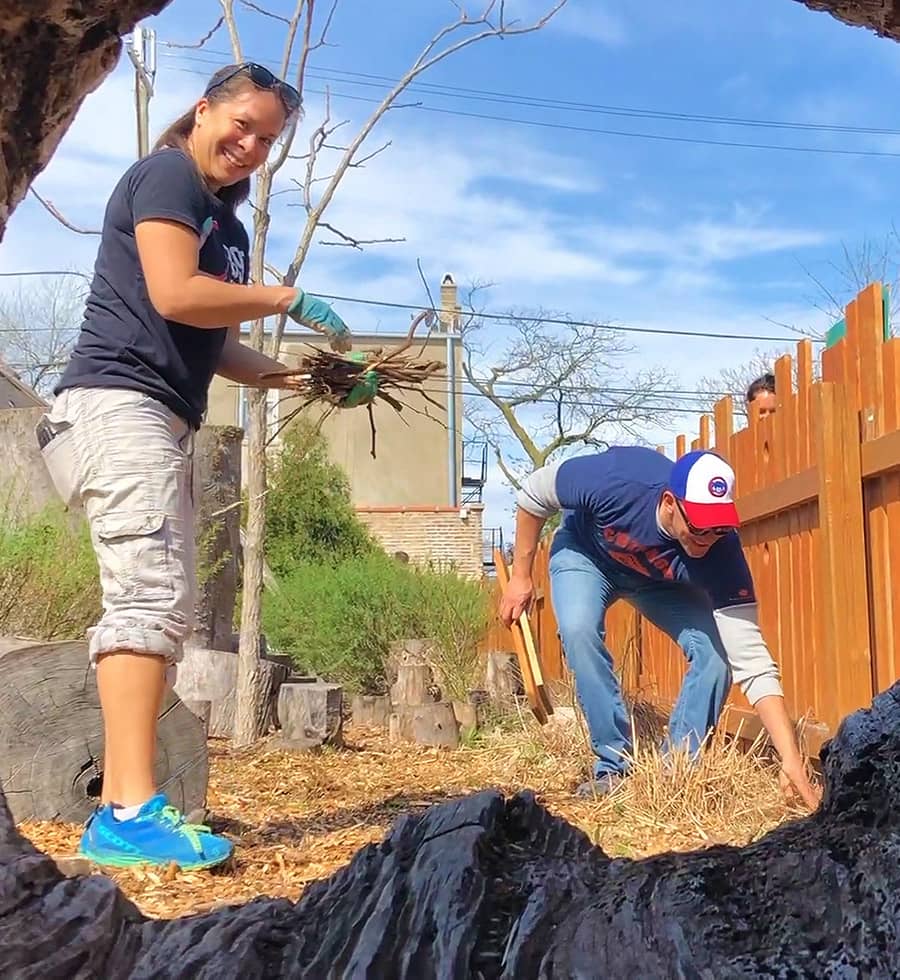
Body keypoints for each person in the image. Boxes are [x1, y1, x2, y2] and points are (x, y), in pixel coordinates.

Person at [36, 62, 353, 870]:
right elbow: (176, 294)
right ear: (203, 108)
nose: (250, 145)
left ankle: (127, 805)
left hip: (160, 414)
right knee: (146, 597)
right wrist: (287, 299)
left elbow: (216, 347)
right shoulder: (165, 175)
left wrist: (314, 378)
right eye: (240, 124)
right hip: (115, 403)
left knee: (161, 603)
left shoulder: (232, 234)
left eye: (267, 139)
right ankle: (128, 814)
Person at [499, 446, 820, 808]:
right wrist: (521, 576)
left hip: (656, 583)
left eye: (718, 528)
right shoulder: (616, 481)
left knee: (716, 657)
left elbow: (752, 660)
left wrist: (791, 758)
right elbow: (534, 494)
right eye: (698, 526)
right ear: (670, 502)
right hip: (587, 555)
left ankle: (674, 771)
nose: (707, 540)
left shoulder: (722, 554)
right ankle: (614, 767)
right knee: (578, 630)